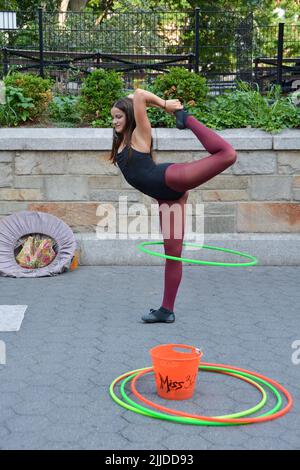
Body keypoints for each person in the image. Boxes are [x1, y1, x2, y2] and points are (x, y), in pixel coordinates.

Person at [110, 88, 237, 323]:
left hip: (171, 177)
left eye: (118, 116)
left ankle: (186, 119)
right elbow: (131, 98)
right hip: (167, 197)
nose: (114, 121)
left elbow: (138, 94)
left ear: (129, 116)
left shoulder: (140, 134)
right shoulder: (122, 143)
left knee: (227, 154)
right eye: (112, 117)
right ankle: (166, 310)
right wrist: (126, 103)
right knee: (173, 254)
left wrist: (165, 104)